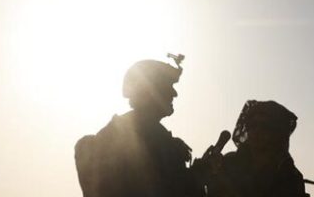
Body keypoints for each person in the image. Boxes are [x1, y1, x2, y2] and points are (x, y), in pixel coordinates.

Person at [75, 59, 221, 197]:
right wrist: (198, 175)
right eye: (167, 87)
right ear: (148, 92)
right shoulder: (125, 138)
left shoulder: (154, 136)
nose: (174, 94)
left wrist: (199, 173)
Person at [207, 100, 308, 197]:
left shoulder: (289, 176)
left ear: (277, 133)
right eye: (252, 125)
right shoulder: (229, 162)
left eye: (265, 126)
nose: (257, 131)